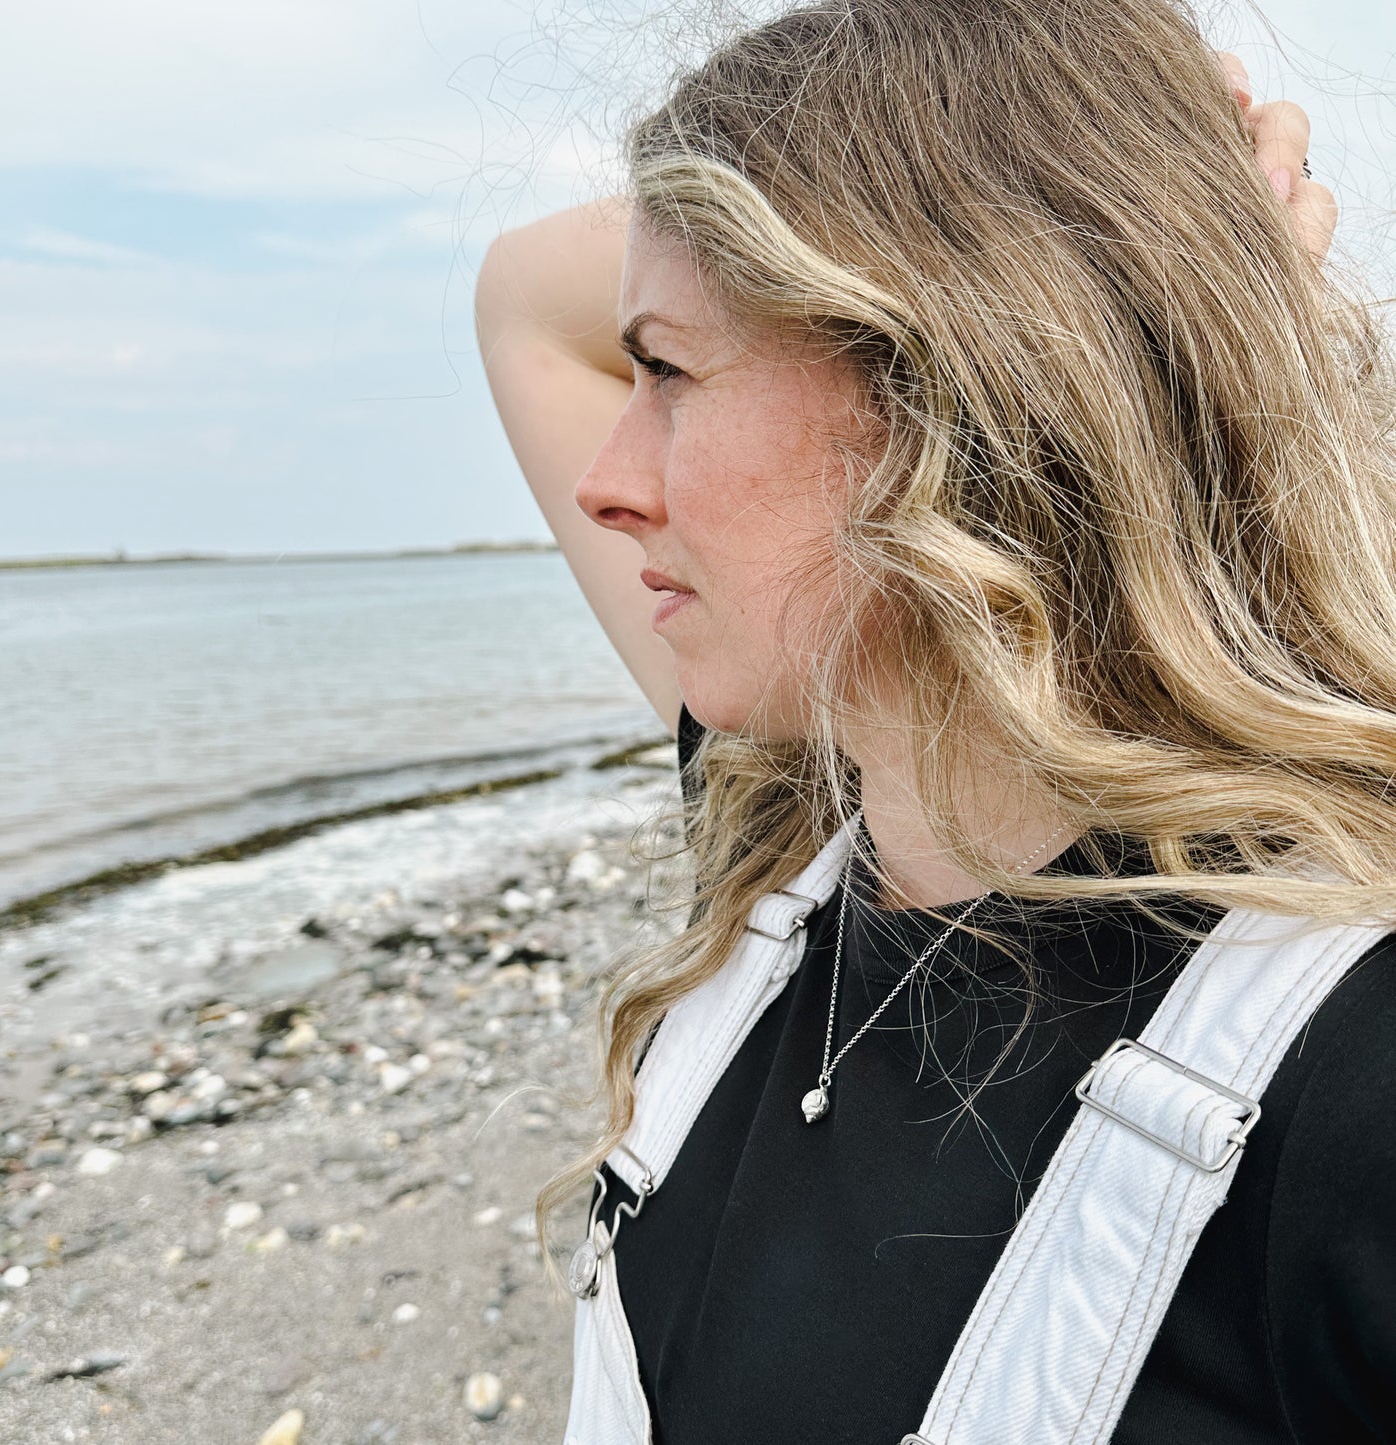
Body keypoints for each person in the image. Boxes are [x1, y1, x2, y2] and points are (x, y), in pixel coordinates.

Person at [474, 2, 1394, 1440]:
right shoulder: (793, 811)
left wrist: (1103, 244)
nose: (605, 481)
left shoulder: (1344, 1068)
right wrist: (1133, 223)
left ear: (958, 387)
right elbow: (522, 293)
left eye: (664, 367)